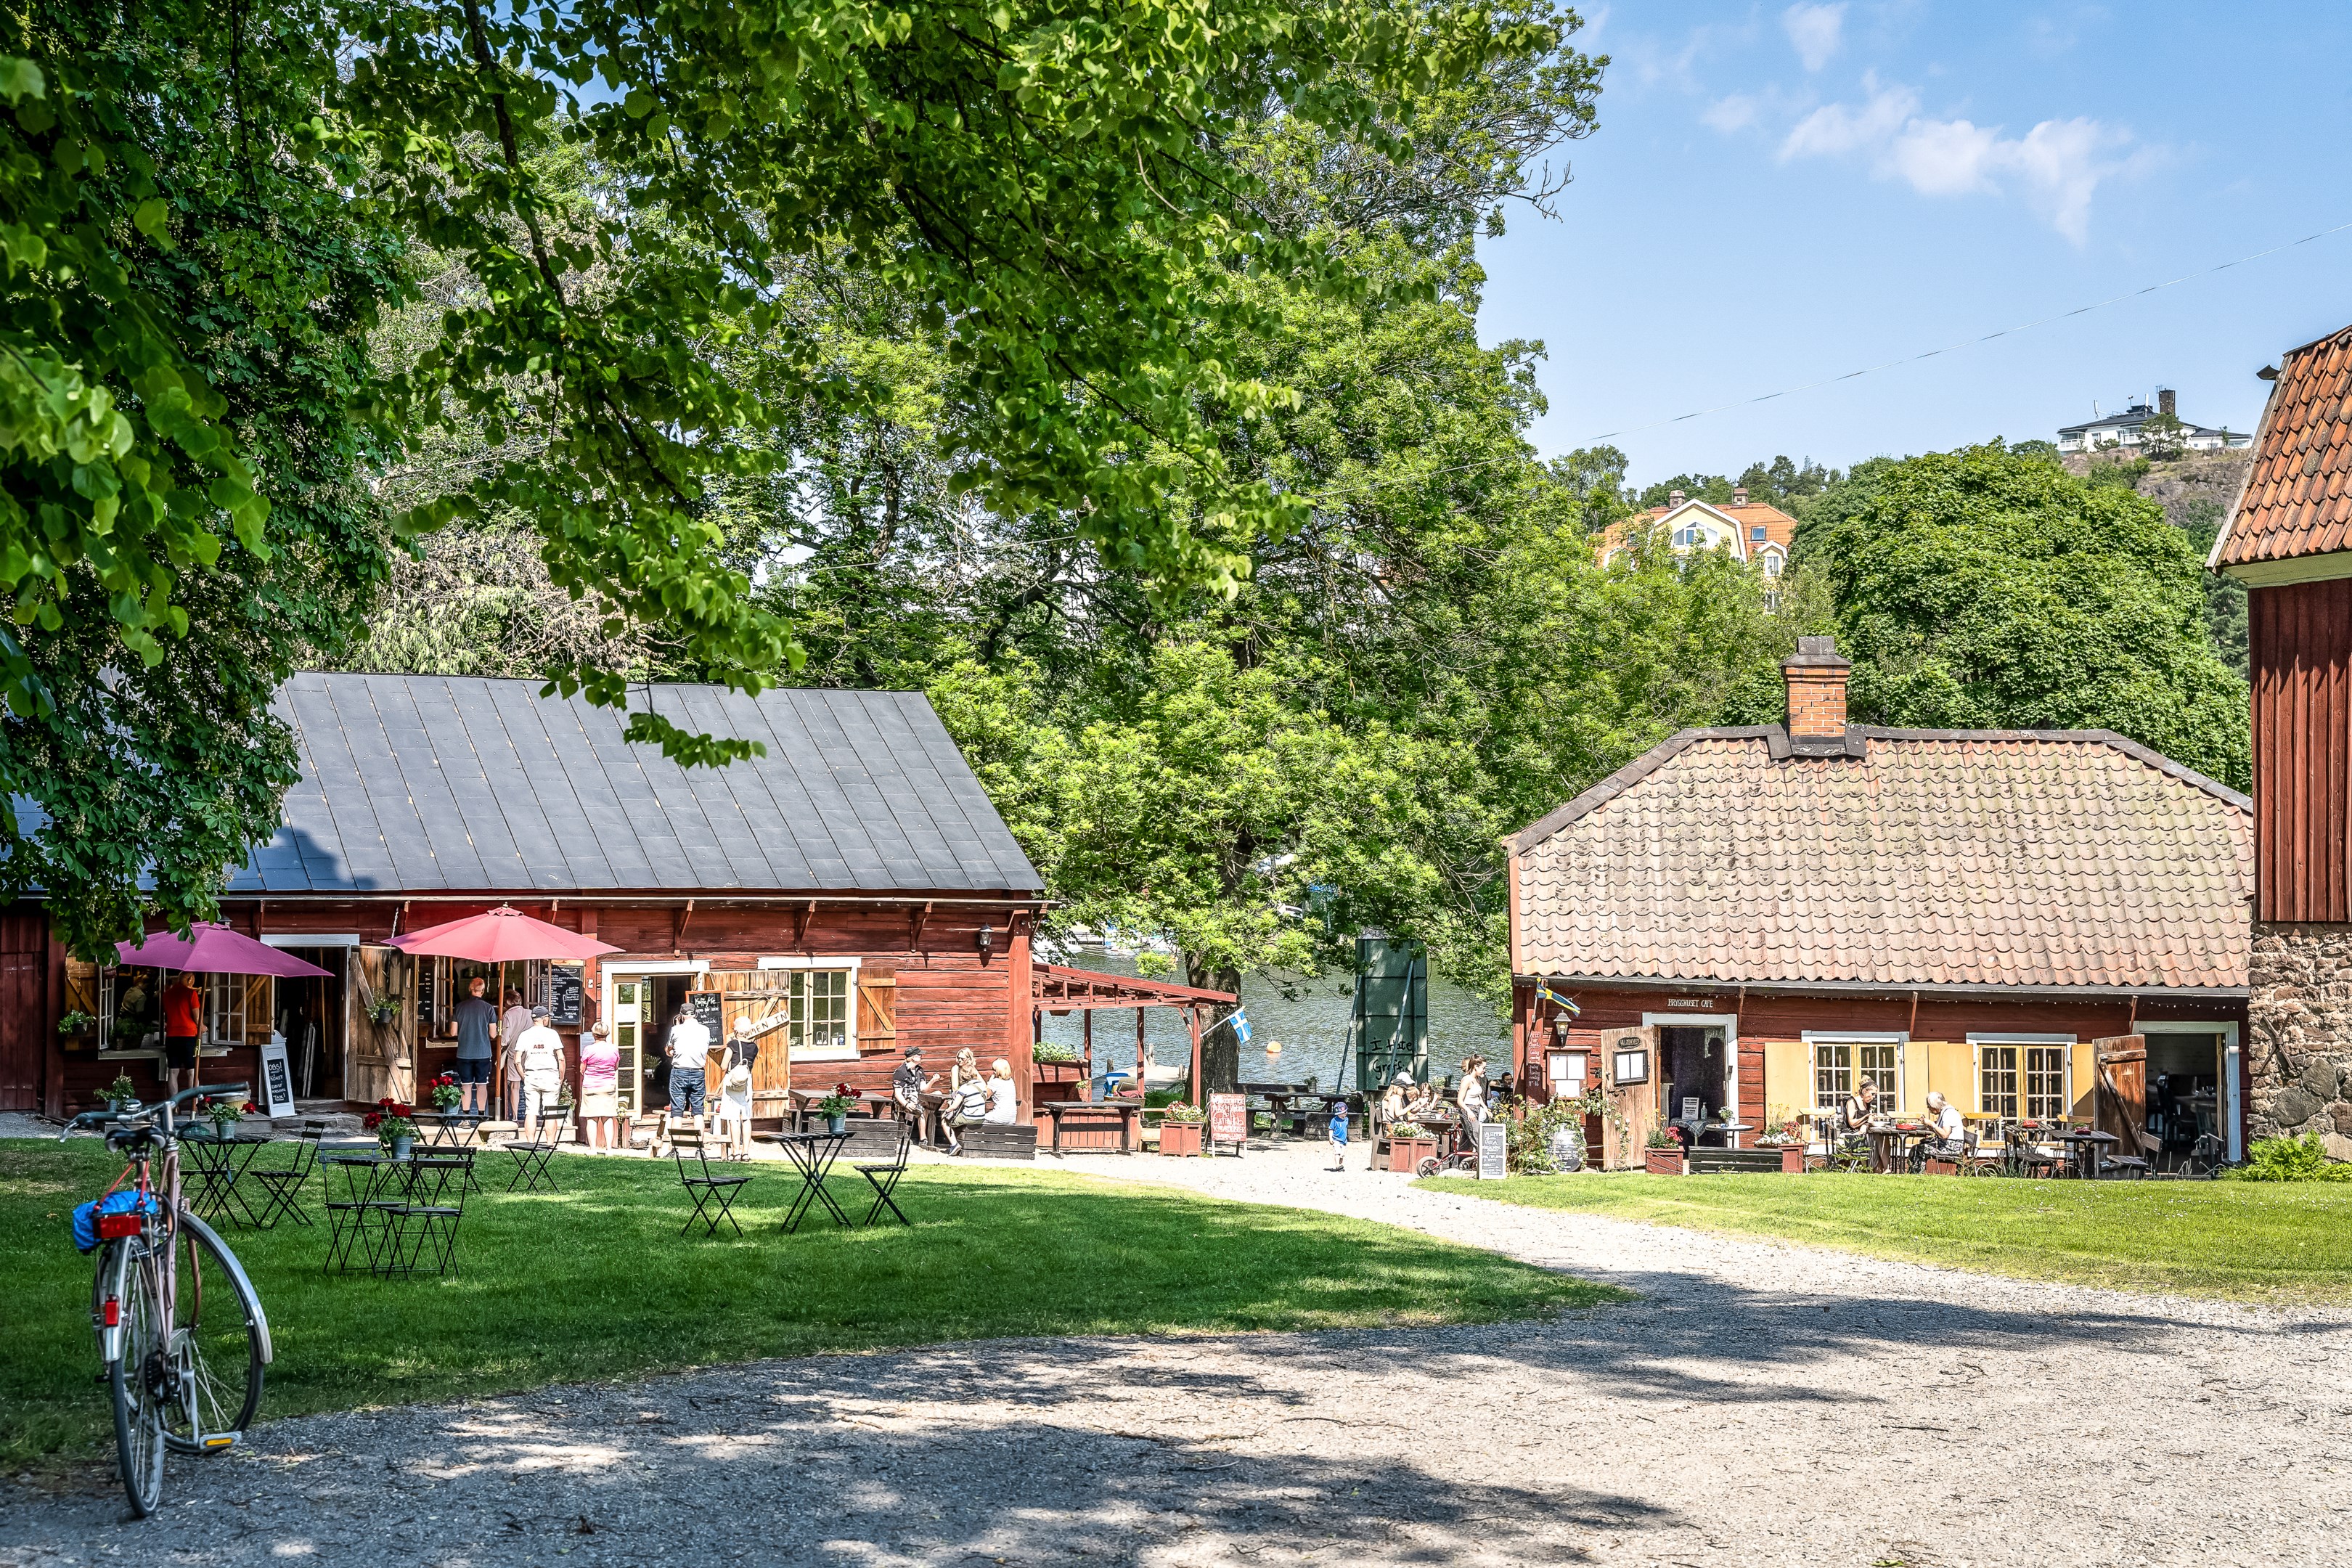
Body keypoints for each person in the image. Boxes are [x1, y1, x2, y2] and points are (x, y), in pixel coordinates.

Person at [713, 1016, 761, 1159]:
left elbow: (723, 1066)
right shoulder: (754, 1047)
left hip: (733, 1083)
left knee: (734, 1118)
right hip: (746, 1082)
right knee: (746, 1118)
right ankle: (745, 1152)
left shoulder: (733, 1045)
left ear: (736, 1030)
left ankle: (735, 1152)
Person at [512, 1007, 567, 1127]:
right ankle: (550, 1140)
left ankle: (530, 1140)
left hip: (531, 1075)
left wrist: (523, 1076)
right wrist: (561, 1077)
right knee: (551, 1112)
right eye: (547, 1017)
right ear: (543, 1019)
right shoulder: (552, 1034)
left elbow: (517, 1060)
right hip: (550, 1075)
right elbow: (561, 1058)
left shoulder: (524, 1035)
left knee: (531, 1111)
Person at [452, 974, 497, 1115]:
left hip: (464, 1053)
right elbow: (493, 1034)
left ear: (470, 989)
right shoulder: (489, 1008)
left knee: (466, 1085)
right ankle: (481, 1115)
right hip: (483, 1053)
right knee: (481, 1085)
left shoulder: (459, 1007)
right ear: (482, 990)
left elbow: (453, 1032)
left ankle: (465, 1117)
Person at [576, 1021, 621, 1150]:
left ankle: (593, 1149)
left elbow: (582, 1069)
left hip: (591, 1086)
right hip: (608, 1086)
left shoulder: (589, 1049)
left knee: (591, 1118)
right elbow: (615, 1067)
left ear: (594, 1034)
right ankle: (609, 1149)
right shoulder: (614, 1049)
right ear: (607, 1034)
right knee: (608, 1118)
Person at [161, 971, 205, 1099]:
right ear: (190, 979)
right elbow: (197, 1018)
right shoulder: (191, 994)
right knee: (192, 1072)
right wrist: (203, 1027)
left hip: (172, 1036)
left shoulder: (167, 994)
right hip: (188, 1036)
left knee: (173, 1071)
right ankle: (193, 1104)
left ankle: (174, 1105)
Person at [666, 1003, 711, 1117]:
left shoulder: (675, 1029)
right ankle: (699, 1129)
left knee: (676, 1112)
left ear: (681, 1015)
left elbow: (669, 1050)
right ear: (696, 1014)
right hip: (698, 1071)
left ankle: (676, 1130)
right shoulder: (705, 1030)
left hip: (679, 1071)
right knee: (698, 1112)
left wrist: (677, 1025)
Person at [501, 987, 535, 1120]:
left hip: (514, 1054)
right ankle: (532, 1115)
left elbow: (504, 1040)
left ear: (508, 1002)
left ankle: (515, 1117)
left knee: (515, 1086)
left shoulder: (507, 1015)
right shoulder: (530, 1013)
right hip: (531, 1053)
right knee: (532, 1085)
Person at [1914, 1090, 1967, 1171]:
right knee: (1921, 1144)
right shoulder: (1945, 1111)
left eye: (1929, 1106)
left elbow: (1945, 1135)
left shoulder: (1949, 1113)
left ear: (1935, 1105)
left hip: (1952, 1147)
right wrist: (1928, 1125)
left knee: (1919, 1149)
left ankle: (1917, 1173)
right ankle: (1916, 1172)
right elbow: (1940, 1131)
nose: (1928, 1108)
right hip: (1949, 1145)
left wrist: (1932, 1124)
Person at [892, 1044, 935, 1140]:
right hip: (905, 1101)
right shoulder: (900, 1072)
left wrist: (932, 1081)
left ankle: (929, 1137)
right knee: (922, 1108)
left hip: (917, 1098)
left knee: (933, 1102)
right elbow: (898, 1094)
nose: (921, 1057)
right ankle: (923, 1138)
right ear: (913, 1058)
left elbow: (923, 1089)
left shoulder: (919, 1070)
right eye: (919, 1055)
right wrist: (907, 1104)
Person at [983, 1057, 1018, 1124]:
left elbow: (985, 1096)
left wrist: (989, 1081)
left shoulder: (995, 1082)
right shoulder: (1011, 1081)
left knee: (979, 1119)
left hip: (1000, 1117)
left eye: (994, 1069)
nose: (993, 1072)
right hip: (1012, 1118)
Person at [1326, 1098, 1350, 1171]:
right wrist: (1330, 1138)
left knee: (1342, 1154)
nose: (1346, 1113)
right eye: (1343, 1112)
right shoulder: (1334, 1120)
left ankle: (1341, 1165)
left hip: (1344, 1141)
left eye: (1346, 1111)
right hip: (1336, 1140)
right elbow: (1331, 1129)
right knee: (1337, 1152)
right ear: (1338, 1113)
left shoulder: (1346, 1119)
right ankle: (1337, 1165)